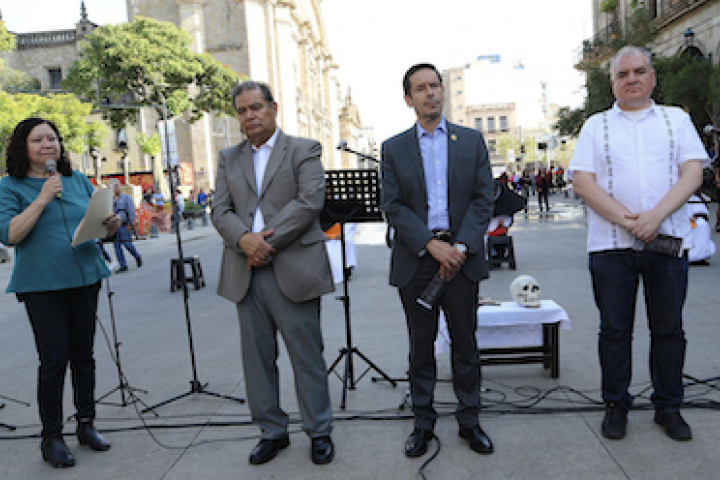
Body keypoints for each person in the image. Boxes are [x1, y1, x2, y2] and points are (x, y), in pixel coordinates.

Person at [570, 46, 708, 442]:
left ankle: (669, 406)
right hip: (610, 246)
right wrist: (628, 220)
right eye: (623, 74)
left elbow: (692, 174)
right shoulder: (596, 125)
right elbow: (582, 181)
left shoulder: (676, 119)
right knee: (614, 330)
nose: (631, 79)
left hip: (666, 242)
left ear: (652, 77)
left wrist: (655, 217)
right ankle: (616, 403)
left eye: (639, 71)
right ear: (613, 82)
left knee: (669, 330)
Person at [211, 81, 335, 466]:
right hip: (245, 271)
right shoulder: (228, 157)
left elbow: (309, 201)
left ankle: (318, 431)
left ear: (273, 108)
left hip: (293, 266)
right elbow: (220, 210)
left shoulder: (303, 149)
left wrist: (265, 243)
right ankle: (271, 430)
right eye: (242, 110)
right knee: (257, 358)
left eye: (256, 108)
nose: (250, 116)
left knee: (306, 354)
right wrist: (244, 241)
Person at [381, 63, 494, 458]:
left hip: (461, 259)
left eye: (435, 85)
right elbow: (393, 206)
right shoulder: (393, 149)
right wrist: (432, 245)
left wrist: (460, 246)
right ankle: (423, 422)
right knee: (421, 346)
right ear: (408, 98)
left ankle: (470, 420)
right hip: (418, 260)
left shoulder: (472, 140)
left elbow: (484, 198)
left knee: (466, 343)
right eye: (421, 88)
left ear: (443, 91)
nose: (430, 92)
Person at [0, 118, 121, 468]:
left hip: (85, 277)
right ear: (23, 146)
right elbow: (9, 235)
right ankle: (51, 436)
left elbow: (96, 225)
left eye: (51, 138)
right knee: (54, 361)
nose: (47, 144)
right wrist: (41, 199)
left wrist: (109, 226)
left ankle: (87, 424)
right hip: (42, 285)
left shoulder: (77, 179)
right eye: (37, 140)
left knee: (84, 356)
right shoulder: (10, 186)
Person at [109, 179, 142, 273]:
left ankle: (137, 256)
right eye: (112, 186)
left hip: (124, 224)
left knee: (127, 244)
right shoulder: (110, 200)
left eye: (116, 185)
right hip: (114, 226)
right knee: (116, 245)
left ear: (119, 186)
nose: (115, 188)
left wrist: (131, 223)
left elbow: (131, 211)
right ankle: (123, 265)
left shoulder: (126, 198)